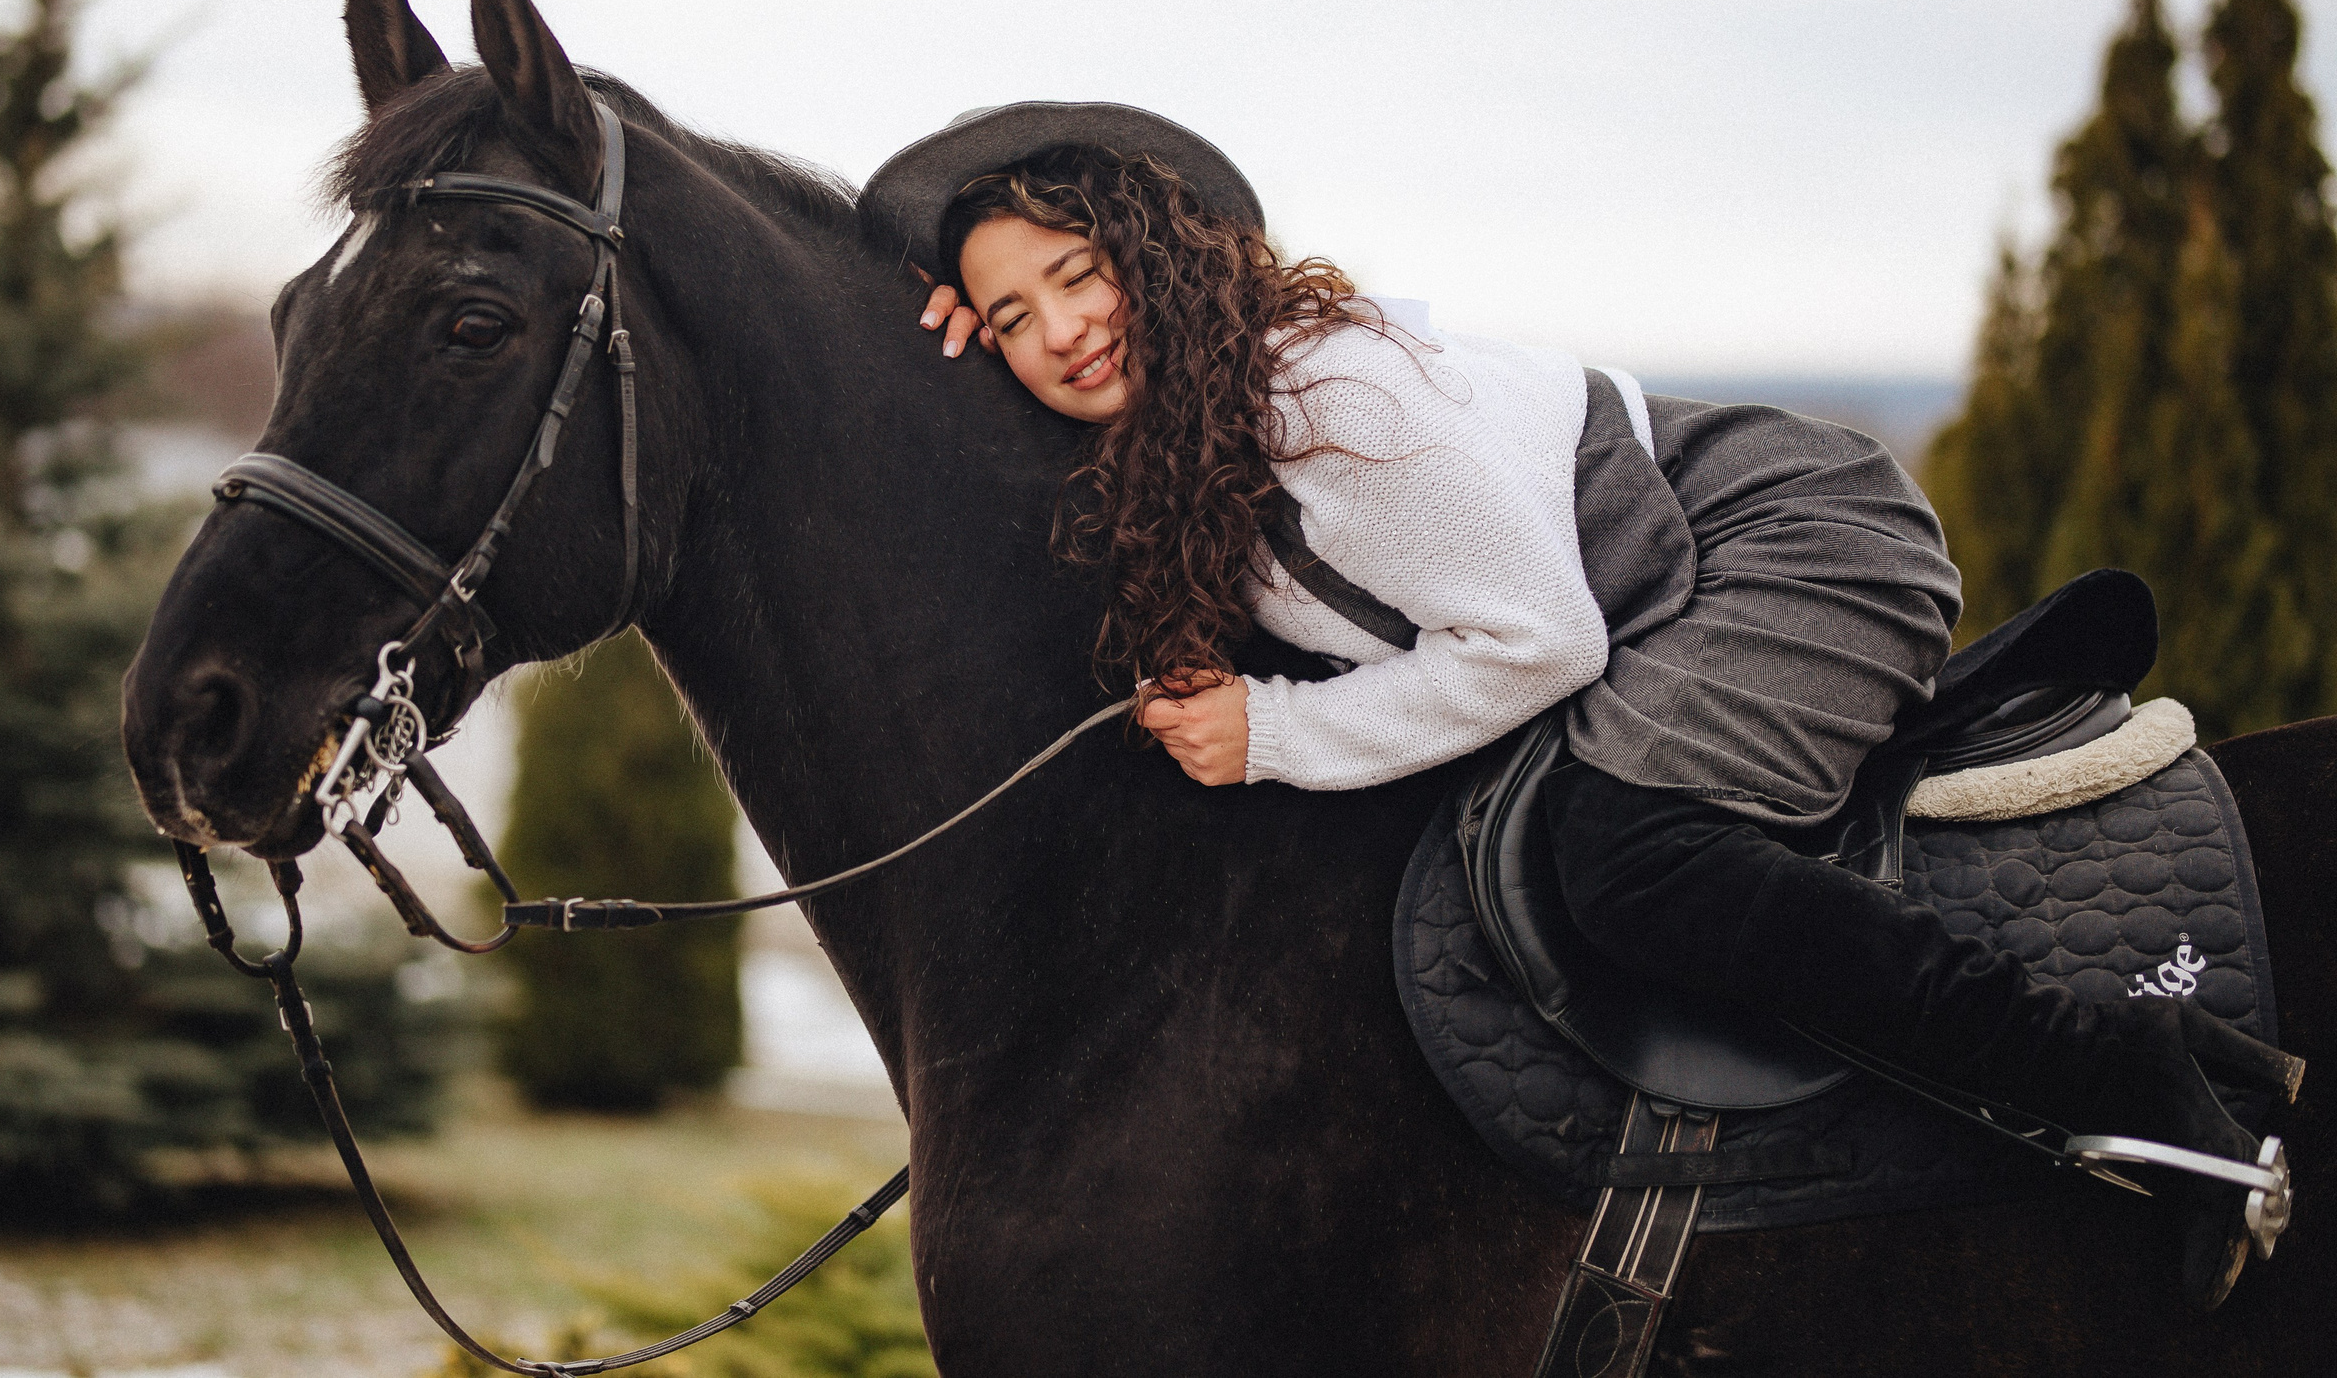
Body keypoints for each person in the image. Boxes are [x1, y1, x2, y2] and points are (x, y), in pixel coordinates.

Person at [861, 100, 2289, 1311]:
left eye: (1078, 272)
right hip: (1646, 608)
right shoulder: (1186, 449)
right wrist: (938, 358)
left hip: (1783, 542)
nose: (1063, 328)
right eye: (1012, 315)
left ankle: (2133, 1085)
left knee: (1632, 860)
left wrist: (1279, 737)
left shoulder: (1324, 395)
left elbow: (1539, 640)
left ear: (1156, 254)